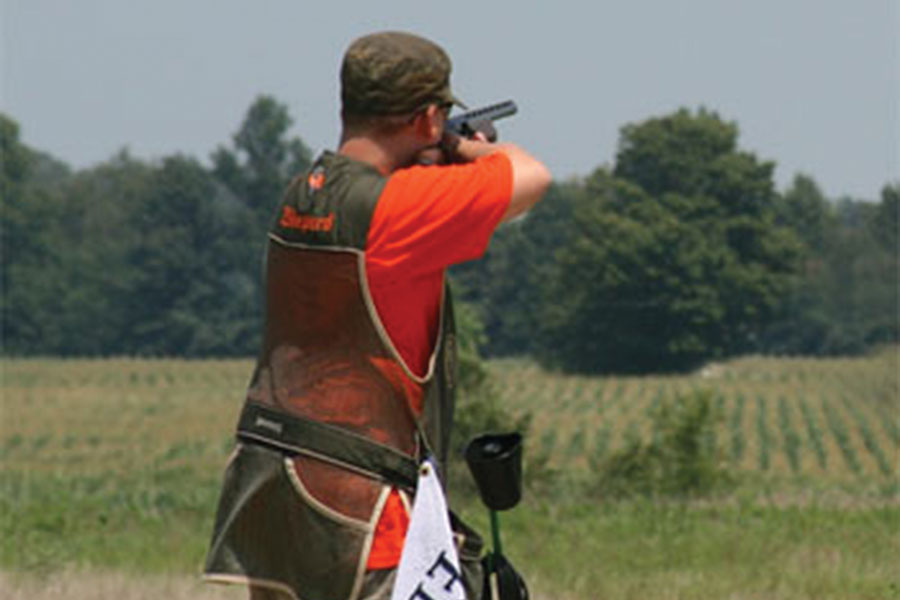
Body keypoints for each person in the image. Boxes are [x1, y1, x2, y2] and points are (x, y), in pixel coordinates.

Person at [203, 31, 550, 600]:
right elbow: (530, 175)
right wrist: (463, 148)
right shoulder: (398, 207)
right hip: (361, 507)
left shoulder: (304, 191)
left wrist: (434, 152)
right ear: (428, 119)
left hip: (274, 496)